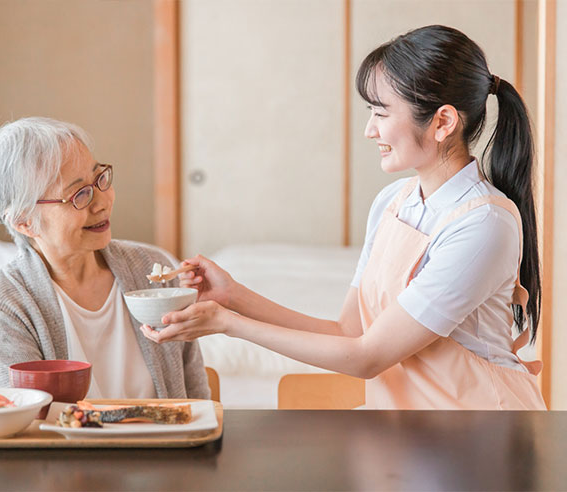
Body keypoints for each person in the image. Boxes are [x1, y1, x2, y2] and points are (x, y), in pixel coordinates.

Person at [142, 25, 546, 410]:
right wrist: (233, 296)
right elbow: (350, 332)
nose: (370, 130)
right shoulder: (393, 201)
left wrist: (227, 323)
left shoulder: (484, 223)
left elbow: (366, 357)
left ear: (442, 121)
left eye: (381, 113)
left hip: (480, 432)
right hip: (411, 426)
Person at [0, 117, 210, 400]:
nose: (102, 202)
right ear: (24, 221)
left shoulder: (152, 268)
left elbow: (197, 403)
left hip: (167, 445)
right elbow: (21, 425)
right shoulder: (2, 306)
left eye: (100, 179)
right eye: (79, 195)